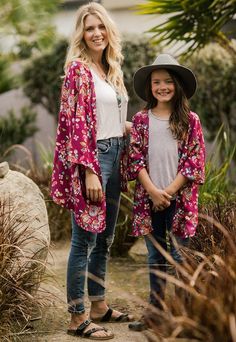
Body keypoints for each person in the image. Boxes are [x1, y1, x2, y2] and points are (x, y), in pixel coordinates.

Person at [51, 2, 133, 340]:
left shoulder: (109, 69)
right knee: (84, 240)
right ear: (81, 35)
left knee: (105, 239)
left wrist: (128, 126)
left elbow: (106, 116)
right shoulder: (78, 70)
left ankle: (98, 305)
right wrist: (88, 171)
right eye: (89, 28)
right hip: (95, 158)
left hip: (115, 153)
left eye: (101, 26)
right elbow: (77, 125)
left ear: (109, 30)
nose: (96, 33)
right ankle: (77, 317)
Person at [127, 53, 205, 331]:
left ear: (178, 85)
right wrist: (152, 192)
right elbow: (134, 160)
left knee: (181, 258)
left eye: (168, 82)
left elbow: (193, 162)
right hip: (149, 200)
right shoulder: (140, 120)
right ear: (150, 87)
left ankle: (184, 317)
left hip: (179, 201)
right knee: (155, 258)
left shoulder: (190, 120)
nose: (162, 87)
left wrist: (167, 193)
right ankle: (156, 313)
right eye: (156, 82)